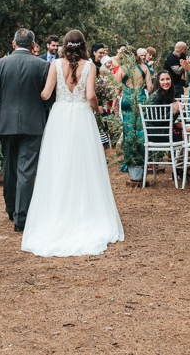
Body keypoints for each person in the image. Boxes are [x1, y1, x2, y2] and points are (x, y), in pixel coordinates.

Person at [21, 29, 124, 256]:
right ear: (84, 45)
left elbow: (46, 94)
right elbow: (90, 96)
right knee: (85, 165)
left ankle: (57, 214)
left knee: (58, 164)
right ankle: (84, 213)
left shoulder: (55, 65)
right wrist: (97, 110)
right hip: (81, 118)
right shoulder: (90, 66)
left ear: (64, 45)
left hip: (59, 118)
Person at [0, 28, 51, 232]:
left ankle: (10, 209)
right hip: (33, 125)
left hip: (6, 125)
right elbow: (48, 98)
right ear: (33, 45)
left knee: (10, 166)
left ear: (13, 44)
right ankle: (21, 218)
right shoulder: (43, 65)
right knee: (26, 169)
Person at [118, 45, 152, 172]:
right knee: (141, 129)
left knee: (128, 129)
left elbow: (116, 86)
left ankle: (129, 161)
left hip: (127, 99)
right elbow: (150, 86)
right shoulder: (144, 67)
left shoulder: (122, 68)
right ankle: (141, 160)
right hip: (140, 99)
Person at [148, 70, 183, 142]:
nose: (166, 82)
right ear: (158, 82)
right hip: (157, 134)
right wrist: (172, 112)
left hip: (164, 130)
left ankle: (183, 153)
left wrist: (176, 111)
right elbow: (155, 121)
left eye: (168, 79)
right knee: (188, 132)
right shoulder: (156, 97)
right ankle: (185, 153)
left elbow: (169, 121)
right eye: (162, 80)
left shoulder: (167, 95)